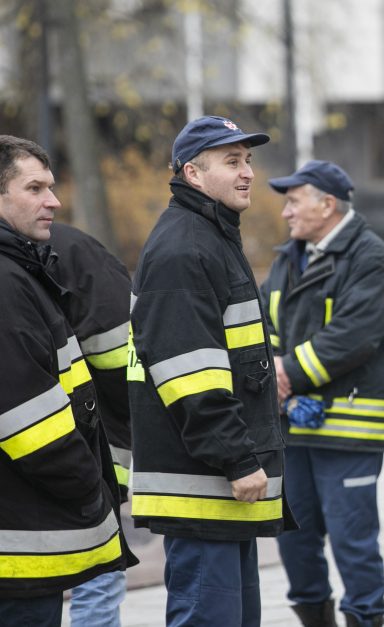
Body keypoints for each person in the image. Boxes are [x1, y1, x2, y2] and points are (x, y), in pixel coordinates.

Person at [128, 116, 289, 627]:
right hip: (204, 485)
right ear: (193, 174)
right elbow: (190, 374)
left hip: (215, 486)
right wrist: (238, 460)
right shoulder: (186, 248)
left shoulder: (209, 236)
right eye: (232, 162)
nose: (247, 174)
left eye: (248, 162)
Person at [260, 160, 384, 627]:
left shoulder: (371, 259)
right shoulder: (289, 258)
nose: (286, 213)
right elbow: (262, 323)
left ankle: (364, 617)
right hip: (291, 427)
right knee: (294, 541)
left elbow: (353, 337)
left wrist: (285, 372)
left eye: (294, 201)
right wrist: (270, 370)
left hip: (349, 430)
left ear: (327, 204)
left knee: (352, 541)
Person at [0, 135, 135, 625]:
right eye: (34, 188)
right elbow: (26, 419)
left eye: (51, 187)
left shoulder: (27, 263)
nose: (53, 201)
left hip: (32, 513)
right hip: (30, 525)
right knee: (96, 592)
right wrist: (91, 487)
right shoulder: (11, 280)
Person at [49, 221, 134, 626]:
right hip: (84, 450)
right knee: (98, 577)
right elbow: (124, 357)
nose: (51, 199)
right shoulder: (71, 248)